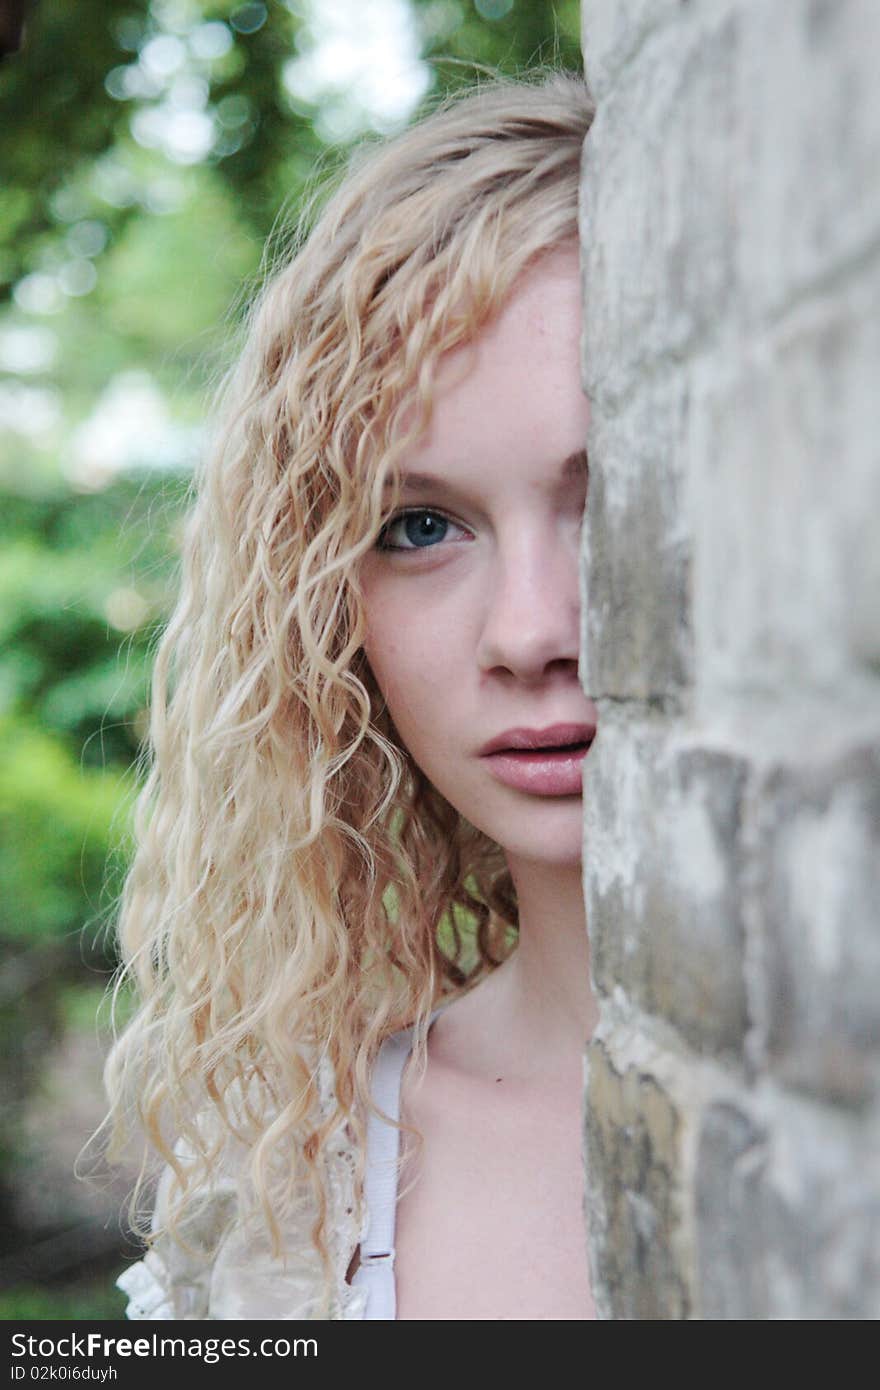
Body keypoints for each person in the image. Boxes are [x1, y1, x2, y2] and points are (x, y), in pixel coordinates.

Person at [105, 68, 599, 1321]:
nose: (532, 630)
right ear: (328, 604)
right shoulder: (280, 1200)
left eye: (615, 500)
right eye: (420, 524)